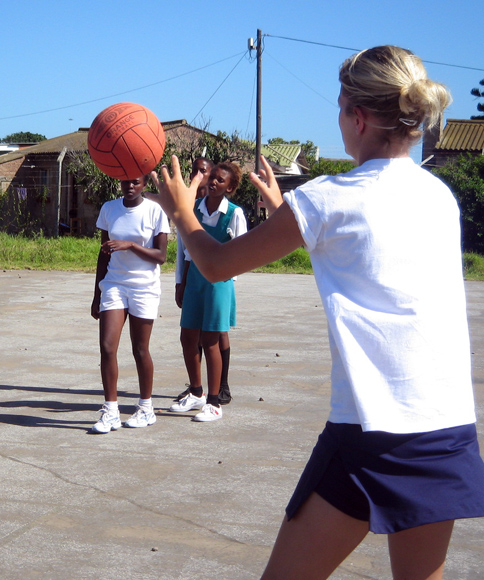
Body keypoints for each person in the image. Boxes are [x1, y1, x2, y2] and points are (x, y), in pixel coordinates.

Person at [148, 45, 484, 579]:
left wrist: (182, 210)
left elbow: (213, 263)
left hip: (371, 429)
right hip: (445, 429)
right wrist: (289, 214)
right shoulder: (439, 195)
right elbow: (367, 254)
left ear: (358, 116)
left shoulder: (328, 197)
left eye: (338, 107)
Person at [90, 175, 170, 433]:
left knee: (140, 350)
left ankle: (146, 408)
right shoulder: (109, 209)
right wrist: (96, 294)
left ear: (145, 184)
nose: (130, 186)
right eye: (125, 182)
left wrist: (131, 245)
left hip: (144, 287)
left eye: (135, 182)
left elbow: (161, 256)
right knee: (107, 346)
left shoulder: (155, 211)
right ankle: (110, 411)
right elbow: (103, 255)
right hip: (114, 283)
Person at [170, 162, 247, 421]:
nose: (213, 182)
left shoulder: (234, 214)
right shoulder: (193, 210)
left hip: (219, 281)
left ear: (231, 187)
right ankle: (196, 392)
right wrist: (180, 281)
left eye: (220, 180)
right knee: (187, 337)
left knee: (211, 341)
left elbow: (243, 253)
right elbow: (183, 249)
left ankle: (214, 402)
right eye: (212, 177)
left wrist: (225, 279)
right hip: (194, 278)